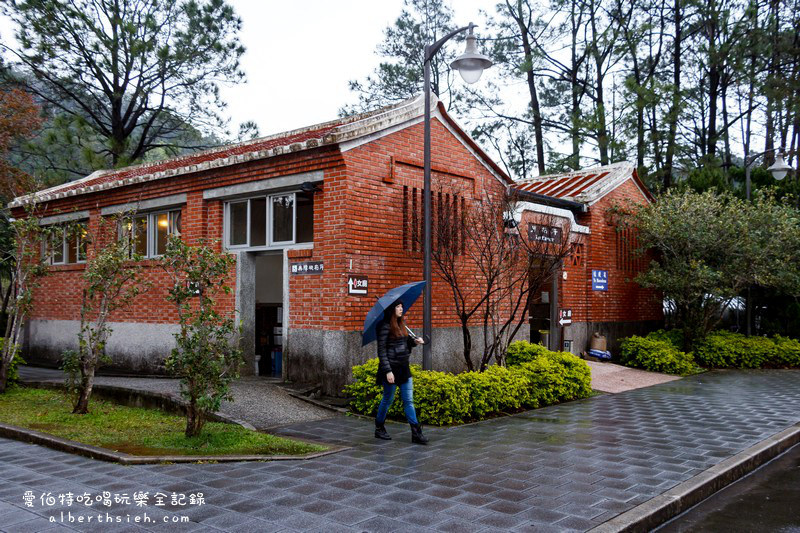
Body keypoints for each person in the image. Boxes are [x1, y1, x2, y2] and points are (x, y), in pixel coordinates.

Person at [374, 300, 427, 444]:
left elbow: (404, 344)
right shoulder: (384, 326)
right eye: (397, 306)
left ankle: (416, 433)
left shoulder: (401, 324)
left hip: (404, 369)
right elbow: (382, 351)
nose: (401, 309)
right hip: (391, 370)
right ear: (391, 309)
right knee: (387, 400)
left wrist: (414, 342)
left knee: (409, 400)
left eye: (402, 306)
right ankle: (379, 428)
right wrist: (388, 371)